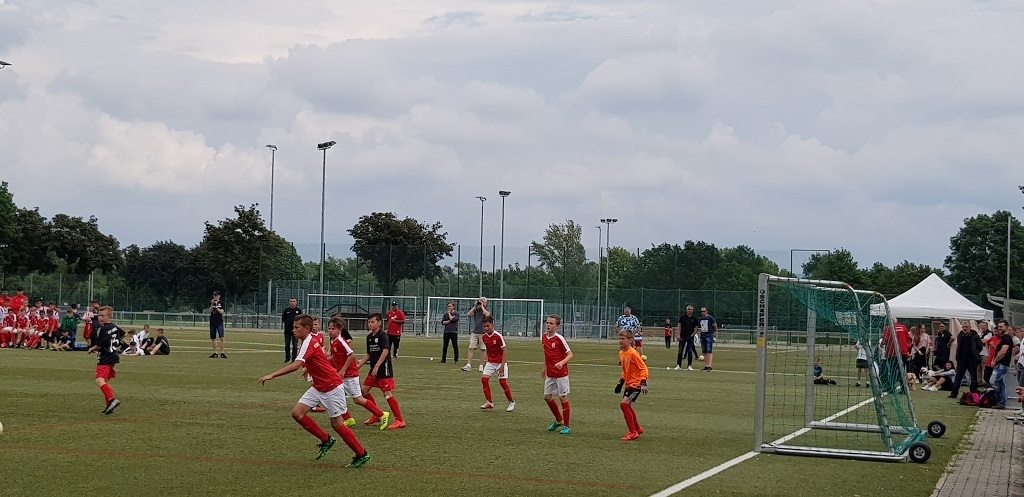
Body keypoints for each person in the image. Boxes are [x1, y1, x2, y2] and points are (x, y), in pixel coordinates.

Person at [258, 314, 371, 467]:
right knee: (297, 413)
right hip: (319, 386)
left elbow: (296, 365)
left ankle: (361, 454)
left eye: (296, 327)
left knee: (337, 424)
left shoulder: (308, 342)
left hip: (331, 386)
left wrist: (273, 375)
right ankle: (326, 440)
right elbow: (319, 358)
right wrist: (308, 368)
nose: (293, 330)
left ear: (307, 328)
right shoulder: (309, 340)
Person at [326, 317, 390, 429]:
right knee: (334, 395)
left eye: (333, 329)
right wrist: (323, 360)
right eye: (329, 328)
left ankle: (381, 414)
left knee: (358, 399)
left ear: (339, 330)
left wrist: (343, 370)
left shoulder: (341, 341)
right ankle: (348, 419)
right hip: (341, 374)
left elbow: (351, 355)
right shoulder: (333, 340)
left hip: (350, 374)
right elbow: (335, 356)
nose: (330, 331)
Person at [357, 313, 406, 429]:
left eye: (372, 322)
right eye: (369, 322)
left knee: (387, 394)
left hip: (383, 369)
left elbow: (385, 351)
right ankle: (377, 414)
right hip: (373, 369)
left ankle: (400, 420)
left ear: (379, 323)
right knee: (363, 391)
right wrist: (359, 365)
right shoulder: (369, 337)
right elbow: (369, 353)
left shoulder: (383, 335)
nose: (370, 324)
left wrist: (377, 366)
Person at [87, 306, 125, 415]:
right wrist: (115, 341)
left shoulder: (103, 329)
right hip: (113, 356)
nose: (100, 317)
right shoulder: (114, 326)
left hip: (105, 358)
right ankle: (109, 405)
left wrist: (91, 349)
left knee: (99, 380)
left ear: (109, 317)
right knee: (105, 381)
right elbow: (123, 334)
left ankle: (112, 400)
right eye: (99, 315)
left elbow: (98, 346)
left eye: (103, 316)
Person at [541, 314, 573, 434]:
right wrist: (545, 367)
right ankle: (559, 420)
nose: (548, 325)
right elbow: (547, 354)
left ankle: (567, 426)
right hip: (550, 373)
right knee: (547, 397)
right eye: (547, 323)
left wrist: (561, 362)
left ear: (557, 326)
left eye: (551, 323)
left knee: (562, 397)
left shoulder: (560, 339)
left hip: (561, 373)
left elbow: (570, 355)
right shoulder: (544, 337)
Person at [615, 330, 649, 441]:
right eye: (619, 338)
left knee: (624, 404)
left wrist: (643, 382)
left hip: (636, 383)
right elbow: (626, 370)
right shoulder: (621, 353)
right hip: (629, 383)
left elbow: (643, 368)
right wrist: (621, 382)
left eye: (623, 339)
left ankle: (633, 432)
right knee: (627, 405)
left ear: (630, 340)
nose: (620, 341)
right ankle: (637, 429)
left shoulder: (633, 353)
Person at [479, 316, 515, 412]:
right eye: (484, 326)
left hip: (500, 363)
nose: (486, 328)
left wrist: (502, 366)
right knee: (484, 380)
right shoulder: (484, 337)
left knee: (502, 383)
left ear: (492, 325)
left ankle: (511, 402)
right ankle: (489, 402)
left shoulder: (498, 336)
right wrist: (486, 361)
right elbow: (488, 350)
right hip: (491, 362)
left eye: (488, 326)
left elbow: (505, 351)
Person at [948, 321, 983, 399]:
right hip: (961, 359)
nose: (965, 328)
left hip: (972, 359)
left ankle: (973, 393)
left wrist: (975, 354)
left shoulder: (975, 336)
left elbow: (980, 346)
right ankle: (954, 393)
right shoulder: (960, 335)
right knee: (958, 377)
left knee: (973, 377)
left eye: (966, 327)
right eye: (963, 327)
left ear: (970, 327)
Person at [462, 298, 491, 372]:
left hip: (483, 332)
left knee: (483, 349)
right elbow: (469, 314)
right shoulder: (476, 310)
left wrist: (482, 307)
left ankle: (481, 365)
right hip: (475, 332)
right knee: (471, 348)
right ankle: (468, 365)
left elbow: (487, 315)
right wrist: (475, 306)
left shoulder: (487, 309)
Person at [991, 320, 1014, 409]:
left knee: (993, 381)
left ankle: (998, 398)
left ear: (1006, 327)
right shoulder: (1003, 338)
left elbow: (1003, 351)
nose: (999, 328)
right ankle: (1002, 403)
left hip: (1002, 364)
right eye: (998, 326)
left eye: (1001, 326)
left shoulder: (1007, 338)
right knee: (1001, 384)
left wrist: (995, 361)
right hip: (1000, 364)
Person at [676, 306, 699, 370]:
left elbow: (696, 327)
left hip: (690, 337)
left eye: (691, 309)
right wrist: (678, 335)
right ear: (686, 310)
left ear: (692, 310)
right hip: (682, 337)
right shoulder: (682, 317)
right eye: (689, 309)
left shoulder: (694, 318)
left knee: (690, 351)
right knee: (680, 351)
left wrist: (693, 334)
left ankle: (689, 365)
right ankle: (678, 365)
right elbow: (679, 326)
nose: (690, 310)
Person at [281, 298, 303, 363]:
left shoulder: (298, 310)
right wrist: (288, 324)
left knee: (295, 345)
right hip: (287, 331)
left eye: (293, 301)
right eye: (291, 301)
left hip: (296, 331)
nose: (292, 303)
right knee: (287, 345)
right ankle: (287, 358)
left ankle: (294, 359)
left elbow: (301, 319)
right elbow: (283, 319)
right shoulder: (286, 310)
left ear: (296, 302)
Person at [698, 307, 718, 371]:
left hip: (709, 335)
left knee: (709, 350)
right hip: (703, 335)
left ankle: (709, 365)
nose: (702, 312)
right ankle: (706, 365)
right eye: (701, 311)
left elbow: (715, 326)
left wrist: (712, 332)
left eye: (704, 311)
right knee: (704, 351)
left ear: (706, 311)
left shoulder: (710, 318)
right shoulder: (701, 319)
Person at [209, 291, 226, 358]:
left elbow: (221, 312)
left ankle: (222, 352)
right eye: (214, 295)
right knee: (213, 337)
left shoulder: (221, 303)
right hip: (212, 322)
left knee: (221, 337)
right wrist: (212, 304)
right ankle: (215, 352)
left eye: (217, 295)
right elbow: (210, 311)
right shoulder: (212, 303)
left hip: (219, 322)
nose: (215, 297)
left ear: (219, 296)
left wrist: (216, 307)